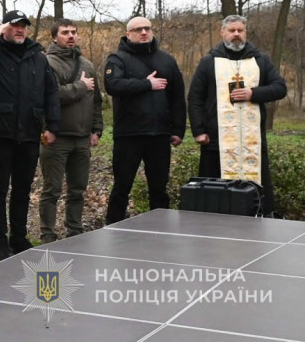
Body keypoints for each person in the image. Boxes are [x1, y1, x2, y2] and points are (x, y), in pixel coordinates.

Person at [0, 10, 60, 259]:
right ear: (5, 28)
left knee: (22, 189)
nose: (21, 30)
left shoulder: (38, 57)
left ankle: (19, 236)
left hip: (30, 133)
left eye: (24, 26)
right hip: (1, 133)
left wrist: (53, 126)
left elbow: (51, 93)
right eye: (15, 26)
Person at [188, 15, 287, 216]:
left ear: (245, 33)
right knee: (215, 193)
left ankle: (258, 219)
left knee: (258, 189)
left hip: (252, 141)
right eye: (231, 30)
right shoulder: (209, 61)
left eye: (239, 31)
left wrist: (254, 93)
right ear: (222, 33)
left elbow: (280, 88)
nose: (236, 35)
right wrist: (198, 130)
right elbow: (195, 98)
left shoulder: (260, 60)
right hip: (216, 140)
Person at [103, 16, 185, 225]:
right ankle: (113, 229)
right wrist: (145, 84)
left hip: (159, 134)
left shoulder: (166, 60)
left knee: (159, 188)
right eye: (138, 29)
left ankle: (161, 230)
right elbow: (113, 85)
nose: (144, 32)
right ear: (128, 34)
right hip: (129, 134)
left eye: (147, 28)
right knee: (122, 186)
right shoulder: (117, 59)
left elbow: (177, 96)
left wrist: (178, 129)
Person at [39, 19, 103, 243]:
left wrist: (96, 129)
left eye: (74, 32)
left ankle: (74, 232)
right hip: (56, 138)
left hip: (82, 138)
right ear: (55, 37)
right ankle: (47, 234)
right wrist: (80, 86)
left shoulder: (87, 65)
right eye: (65, 32)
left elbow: (96, 101)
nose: (71, 36)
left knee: (78, 190)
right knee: (51, 190)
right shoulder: (47, 62)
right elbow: (50, 96)